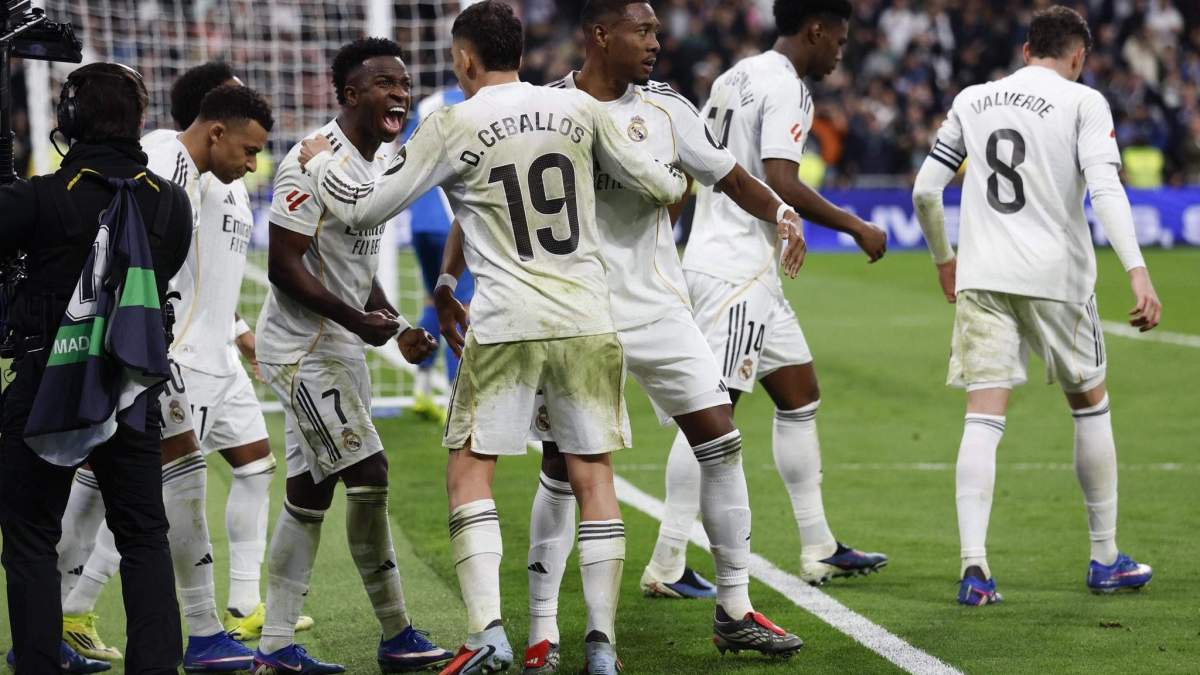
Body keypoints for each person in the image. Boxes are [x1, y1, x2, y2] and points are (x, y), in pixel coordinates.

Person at [299, 4, 687, 672]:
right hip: (587, 316)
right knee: (593, 474)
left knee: (470, 469)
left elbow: (364, 208)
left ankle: (487, 632)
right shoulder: (577, 108)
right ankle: (601, 644)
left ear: (465, 58)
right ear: (521, 51)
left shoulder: (451, 122)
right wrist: (674, 179)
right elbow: (660, 184)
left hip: (506, 319)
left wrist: (319, 164)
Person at [435, 1, 806, 670]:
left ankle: (734, 608)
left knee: (721, 438)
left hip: (658, 308)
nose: (656, 41)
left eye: (657, 30)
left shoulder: (667, 109)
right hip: (575, 312)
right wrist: (448, 276)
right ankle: (543, 631)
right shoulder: (547, 106)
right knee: (560, 467)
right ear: (601, 35)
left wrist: (781, 211)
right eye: (643, 30)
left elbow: (728, 174)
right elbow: (484, 197)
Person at [911, 5, 1161, 606]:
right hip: (1058, 281)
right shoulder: (1084, 102)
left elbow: (924, 189)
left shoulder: (973, 99)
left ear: (1026, 50)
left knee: (982, 417)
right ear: (1078, 56)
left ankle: (975, 570)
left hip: (983, 276)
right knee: (1090, 405)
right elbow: (1105, 189)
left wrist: (945, 258)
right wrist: (1137, 271)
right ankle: (1105, 558)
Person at [54, 64, 302, 665]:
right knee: (139, 487)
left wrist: (239, 331)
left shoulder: (224, 176)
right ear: (214, 119)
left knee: (245, 466)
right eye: (247, 137)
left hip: (213, 354)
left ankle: (235, 607)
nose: (254, 156)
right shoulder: (165, 156)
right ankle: (81, 612)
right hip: (169, 356)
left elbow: (204, 272)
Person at [661, 0, 890, 588]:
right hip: (738, 270)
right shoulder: (787, 86)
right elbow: (782, 180)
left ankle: (819, 545)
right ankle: (667, 561)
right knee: (712, 415)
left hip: (729, 260)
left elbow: (692, 164)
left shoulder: (734, 75)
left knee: (799, 393)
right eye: (839, 39)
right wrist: (856, 226)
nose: (840, 51)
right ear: (816, 30)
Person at [251, 37, 454, 675]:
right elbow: (283, 266)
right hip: (303, 351)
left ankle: (274, 647)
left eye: (404, 84)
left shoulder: (377, 163)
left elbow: (355, 266)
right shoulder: (308, 161)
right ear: (350, 94)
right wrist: (354, 321)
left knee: (308, 493)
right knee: (370, 472)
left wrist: (395, 326)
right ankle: (397, 633)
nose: (400, 94)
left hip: (340, 347)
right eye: (385, 84)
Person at [0, 62, 191, 675]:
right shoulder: (172, 204)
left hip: (46, 383)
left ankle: (38, 663)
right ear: (138, 119)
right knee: (143, 535)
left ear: (71, 118)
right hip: (131, 388)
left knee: (31, 535)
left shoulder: (41, 198)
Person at [404, 84, 474, 424]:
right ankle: (454, 397)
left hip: (420, 219)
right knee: (462, 305)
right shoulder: (471, 103)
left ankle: (421, 387)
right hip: (450, 221)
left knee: (435, 300)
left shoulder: (428, 104)